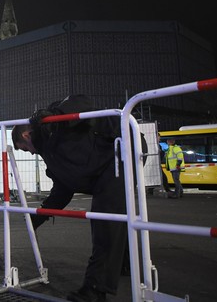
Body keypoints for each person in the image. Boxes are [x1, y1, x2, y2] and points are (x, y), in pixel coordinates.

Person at [11, 94, 144, 302]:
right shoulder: (50, 154)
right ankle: (125, 263)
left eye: (24, 149)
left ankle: (95, 289)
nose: (29, 154)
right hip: (104, 164)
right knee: (114, 216)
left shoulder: (52, 124)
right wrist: (38, 216)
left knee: (105, 218)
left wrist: (55, 115)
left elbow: (82, 100)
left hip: (121, 145)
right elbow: (63, 189)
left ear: (27, 135)